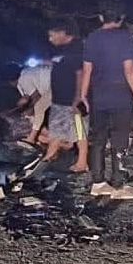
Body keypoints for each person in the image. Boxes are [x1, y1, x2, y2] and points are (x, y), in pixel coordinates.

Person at [81, 1, 133, 199]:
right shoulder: (124, 37)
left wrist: (83, 93)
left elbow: (87, 68)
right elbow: (129, 68)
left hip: (99, 94)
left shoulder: (92, 37)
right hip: (120, 94)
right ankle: (118, 184)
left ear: (100, 17)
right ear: (122, 18)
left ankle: (98, 183)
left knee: (98, 140)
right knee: (119, 140)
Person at [43, 18, 89, 171]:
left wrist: (78, 97)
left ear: (62, 32)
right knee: (56, 128)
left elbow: (80, 73)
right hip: (59, 99)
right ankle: (50, 155)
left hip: (72, 100)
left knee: (79, 129)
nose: (50, 39)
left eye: (52, 35)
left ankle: (82, 161)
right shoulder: (62, 49)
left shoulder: (76, 49)